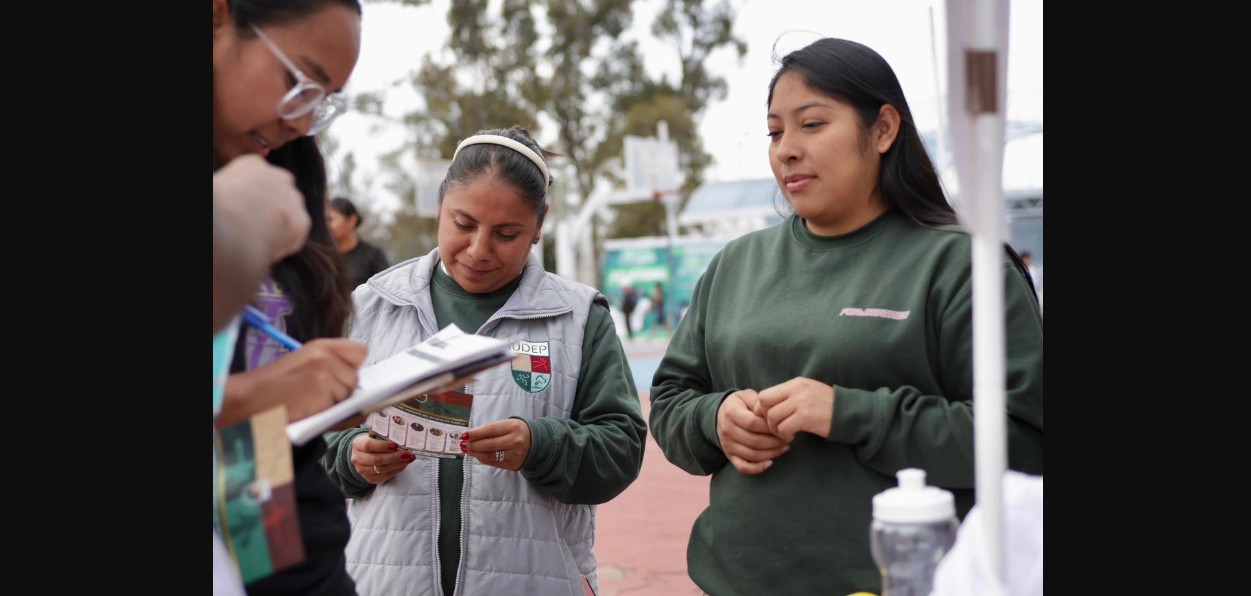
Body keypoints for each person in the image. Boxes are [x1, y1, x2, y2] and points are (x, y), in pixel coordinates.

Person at [646, 37, 1044, 596]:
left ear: (882, 129)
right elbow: (669, 400)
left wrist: (851, 413)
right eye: (774, 130)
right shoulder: (736, 265)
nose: (786, 149)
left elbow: (1024, 441)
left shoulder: (960, 266)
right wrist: (716, 420)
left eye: (811, 124)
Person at [321, 125, 647, 596]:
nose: (478, 250)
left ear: (539, 226)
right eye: (464, 224)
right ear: (440, 208)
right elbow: (310, 442)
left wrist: (541, 446)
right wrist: (351, 457)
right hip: (384, 581)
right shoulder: (370, 307)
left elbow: (621, 448)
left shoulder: (578, 319)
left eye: (506, 233)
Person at [213, 1, 367, 594]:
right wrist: (252, 399)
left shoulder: (284, 170)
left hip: (278, 532)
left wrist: (319, 393)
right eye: (299, 81)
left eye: (323, 101)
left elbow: (265, 491)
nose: (303, 121)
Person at [326, 196, 391, 288]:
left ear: (352, 221)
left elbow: (385, 290)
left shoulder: (373, 255)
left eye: (330, 220)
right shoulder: (323, 256)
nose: (326, 225)